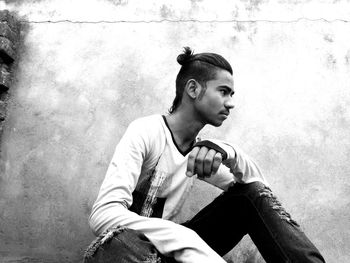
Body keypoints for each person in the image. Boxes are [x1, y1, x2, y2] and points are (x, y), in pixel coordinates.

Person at [84, 47, 325, 263]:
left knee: (249, 196)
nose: (230, 103)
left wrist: (229, 152)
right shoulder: (146, 131)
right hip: (132, 253)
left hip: (176, 254)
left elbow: (260, 194)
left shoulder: (200, 154)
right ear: (192, 88)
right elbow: (103, 215)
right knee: (115, 243)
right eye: (223, 91)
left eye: (231, 95)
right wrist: (184, 238)